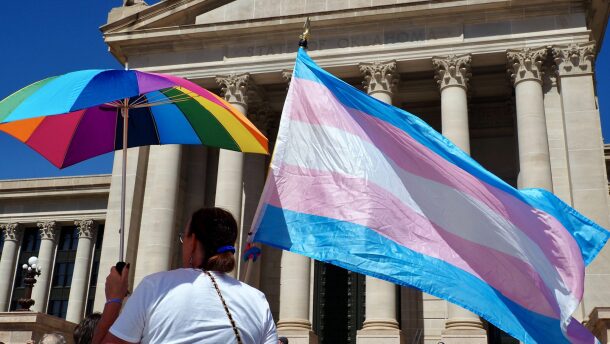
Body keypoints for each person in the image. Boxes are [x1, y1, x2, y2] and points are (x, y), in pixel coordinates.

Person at [93, 207, 277, 344]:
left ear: (193, 241)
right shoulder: (258, 300)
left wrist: (114, 300)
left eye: (184, 237)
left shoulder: (155, 287)